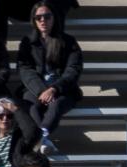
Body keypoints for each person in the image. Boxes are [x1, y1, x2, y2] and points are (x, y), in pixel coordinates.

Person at [14, 4, 79, 145]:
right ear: (34, 20)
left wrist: (54, 89)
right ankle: (42, 140)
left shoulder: (68, 42)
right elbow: (24, 69)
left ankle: (41, 137)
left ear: (54, 18)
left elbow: (73, 69)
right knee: (31, 105)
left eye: (47, 16)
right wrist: (41, 90)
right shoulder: (27, 43)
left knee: (56, 105)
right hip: (35, 88)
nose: (43, 20)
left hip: (62, 90)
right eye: (38, 17)